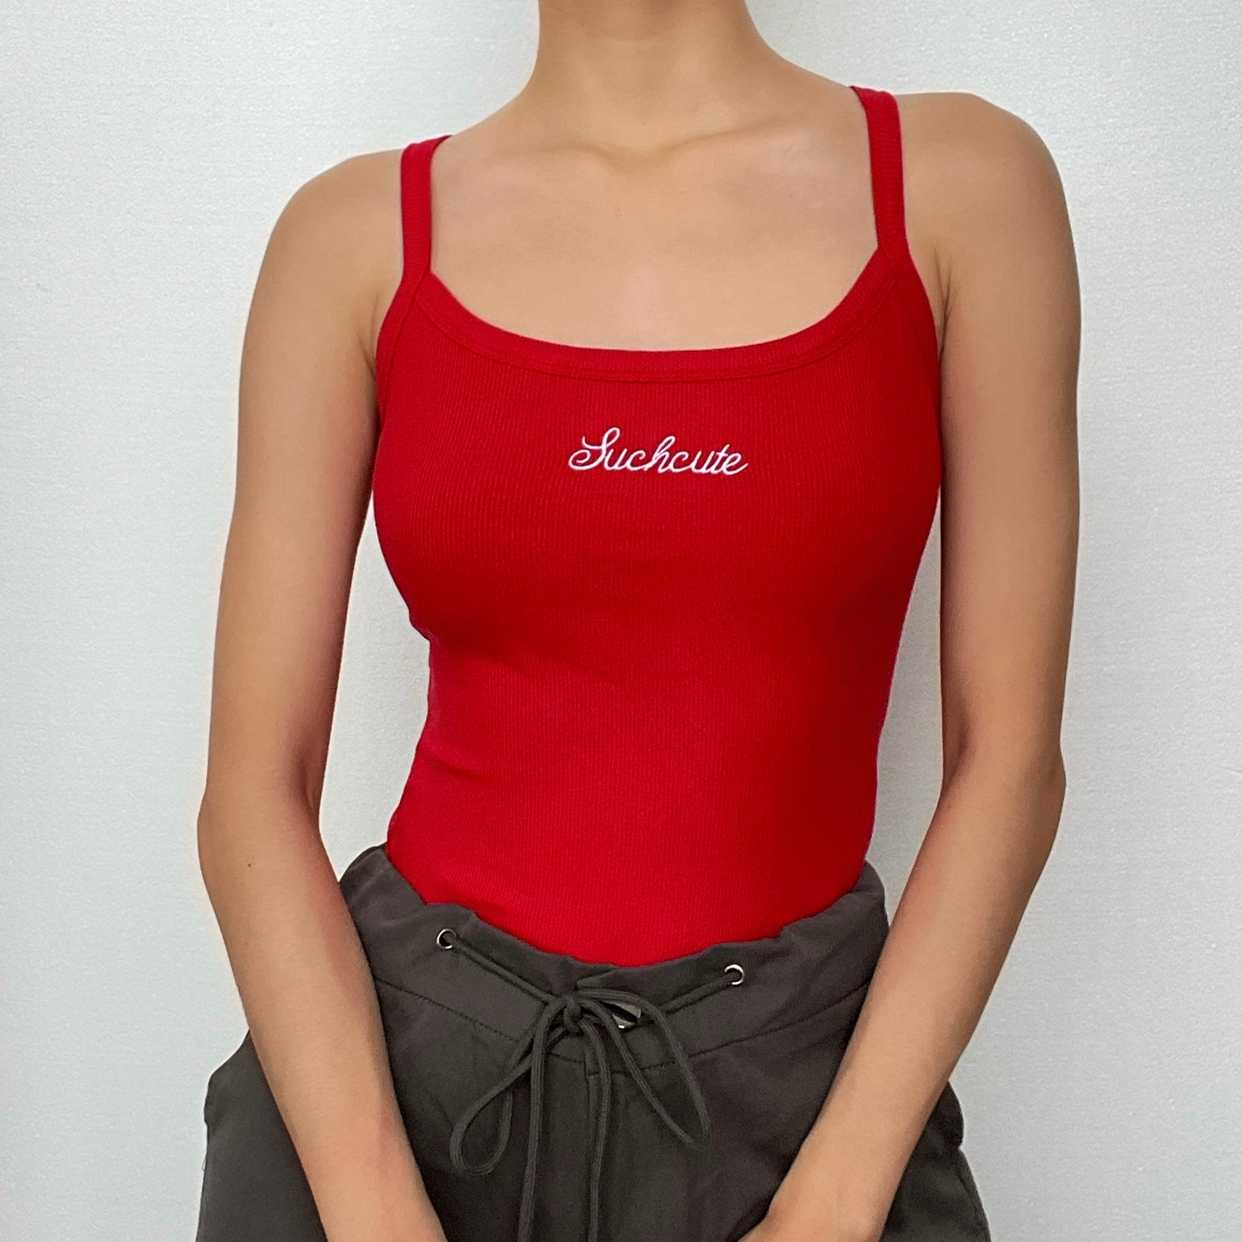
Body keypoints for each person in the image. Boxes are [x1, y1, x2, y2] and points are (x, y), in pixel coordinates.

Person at [193, 3, 1080, 1240]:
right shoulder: (348, 239)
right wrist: (375, 1209)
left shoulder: (960, 190)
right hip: (394, 1089)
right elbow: (252, 790)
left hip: (807, 1102)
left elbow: (1010, 755)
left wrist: (832, 1205)